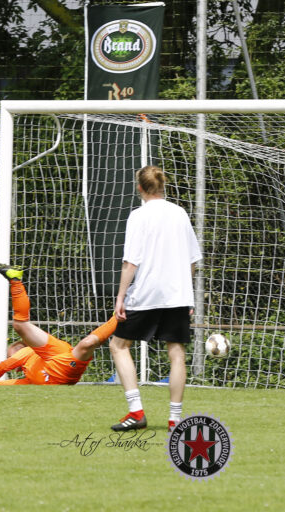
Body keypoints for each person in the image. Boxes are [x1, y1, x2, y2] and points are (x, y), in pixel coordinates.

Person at [109, 165, 202, 432]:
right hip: (177, 295)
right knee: (176, 352)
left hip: (147, 293)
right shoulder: (180, 213)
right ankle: (175, 420)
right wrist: (186, 294)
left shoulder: (138, 216)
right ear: (163, 186)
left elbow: (130, 262)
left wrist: (120, 297)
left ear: (139, 187)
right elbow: (193, 260)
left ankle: (136, 412)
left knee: (119, 345)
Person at [0, 264, 117, 386]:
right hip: (60, 370)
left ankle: (119, 316)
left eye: (10, 355)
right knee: (20, 325)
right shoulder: (30, 377)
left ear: (19, 351)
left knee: (87, 343)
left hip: (64, 365)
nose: (11, 361)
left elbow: (5, 366)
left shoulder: (27, 353)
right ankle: (15, 279)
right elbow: (5, 385)